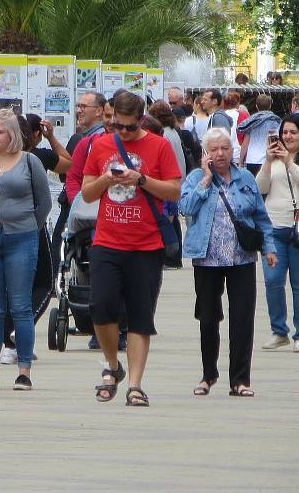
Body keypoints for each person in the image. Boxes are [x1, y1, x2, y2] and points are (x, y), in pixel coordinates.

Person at [81, 91, 181, 406]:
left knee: (141, 316)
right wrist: (106, 181)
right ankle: (112, 365)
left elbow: (175, 191)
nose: (121, 132)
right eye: (116, 126)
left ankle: (135, 384)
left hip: (146, 244)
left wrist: (141, 180)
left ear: (140, 121)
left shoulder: (160, 145)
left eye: (128, 127)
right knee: (101, 307)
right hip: (107, 241)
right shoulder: (100, 145)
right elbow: (86, 193)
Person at [180, 128, 277, 397]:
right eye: (214, 149)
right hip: (207, 258)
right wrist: (205, 181)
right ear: (206, 153)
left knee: (242, 319)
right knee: (208, 318)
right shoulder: (196, 178)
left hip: (241, 257)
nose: (221, 154)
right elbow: (185, 208)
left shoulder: (245, 178)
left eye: (225, 148)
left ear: (233, 150)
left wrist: (269, 248)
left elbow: (261, 217)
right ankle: (208, 374)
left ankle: (240, 380)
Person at [0, 109, 52, 391]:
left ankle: (24, 370)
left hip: (21, 238)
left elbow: (44, 203)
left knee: (21, 305)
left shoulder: (29, 162)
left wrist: (28, 225)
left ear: (12, 135)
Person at [256, 114, 299, 352]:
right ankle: (279, 331)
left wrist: (289, 163)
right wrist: (268, 161)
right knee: (273, 281)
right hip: (274, 228)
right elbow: (259, 188)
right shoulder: (274, 159)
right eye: (284, 132)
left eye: (293, 132)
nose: (287, 137)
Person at [65, 96, 127, 351]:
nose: (112, 122)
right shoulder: (89, 143)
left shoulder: (137, 145)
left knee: (123, 279)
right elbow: (73, 177)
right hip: (93, 222)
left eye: (116, 117)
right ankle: (100, 327)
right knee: (99, 277)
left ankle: (121, 328)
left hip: (125, 221)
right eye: (108, 117)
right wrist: (79, 204)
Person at [50, 91, 106, 278]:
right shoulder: (84, 141)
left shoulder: (93, 139)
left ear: (98, 111)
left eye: (83, 107)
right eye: (78, 106)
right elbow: (72, 175)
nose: (78, 111)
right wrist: (78, 203)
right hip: (85, 208)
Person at [148, 100, 188, 269]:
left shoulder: (165, 134)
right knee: (173, 220)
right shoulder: (173, 131)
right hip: (178, 177)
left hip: (170, 180)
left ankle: (171, 257)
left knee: (169, 219)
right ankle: (174, 257)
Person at [238, 94, 281, 177]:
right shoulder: (275, 121)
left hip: (252, 159)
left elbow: (245, 143)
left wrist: (240, 161)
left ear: (256, 106)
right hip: (269, 158)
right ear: (270, 106)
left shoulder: (251, 122)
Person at [200, 89, 239, 163]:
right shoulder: (214, 116)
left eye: (205, 99)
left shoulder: (218, 118)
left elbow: (223, 142)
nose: (202, 102)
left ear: (214, 101)